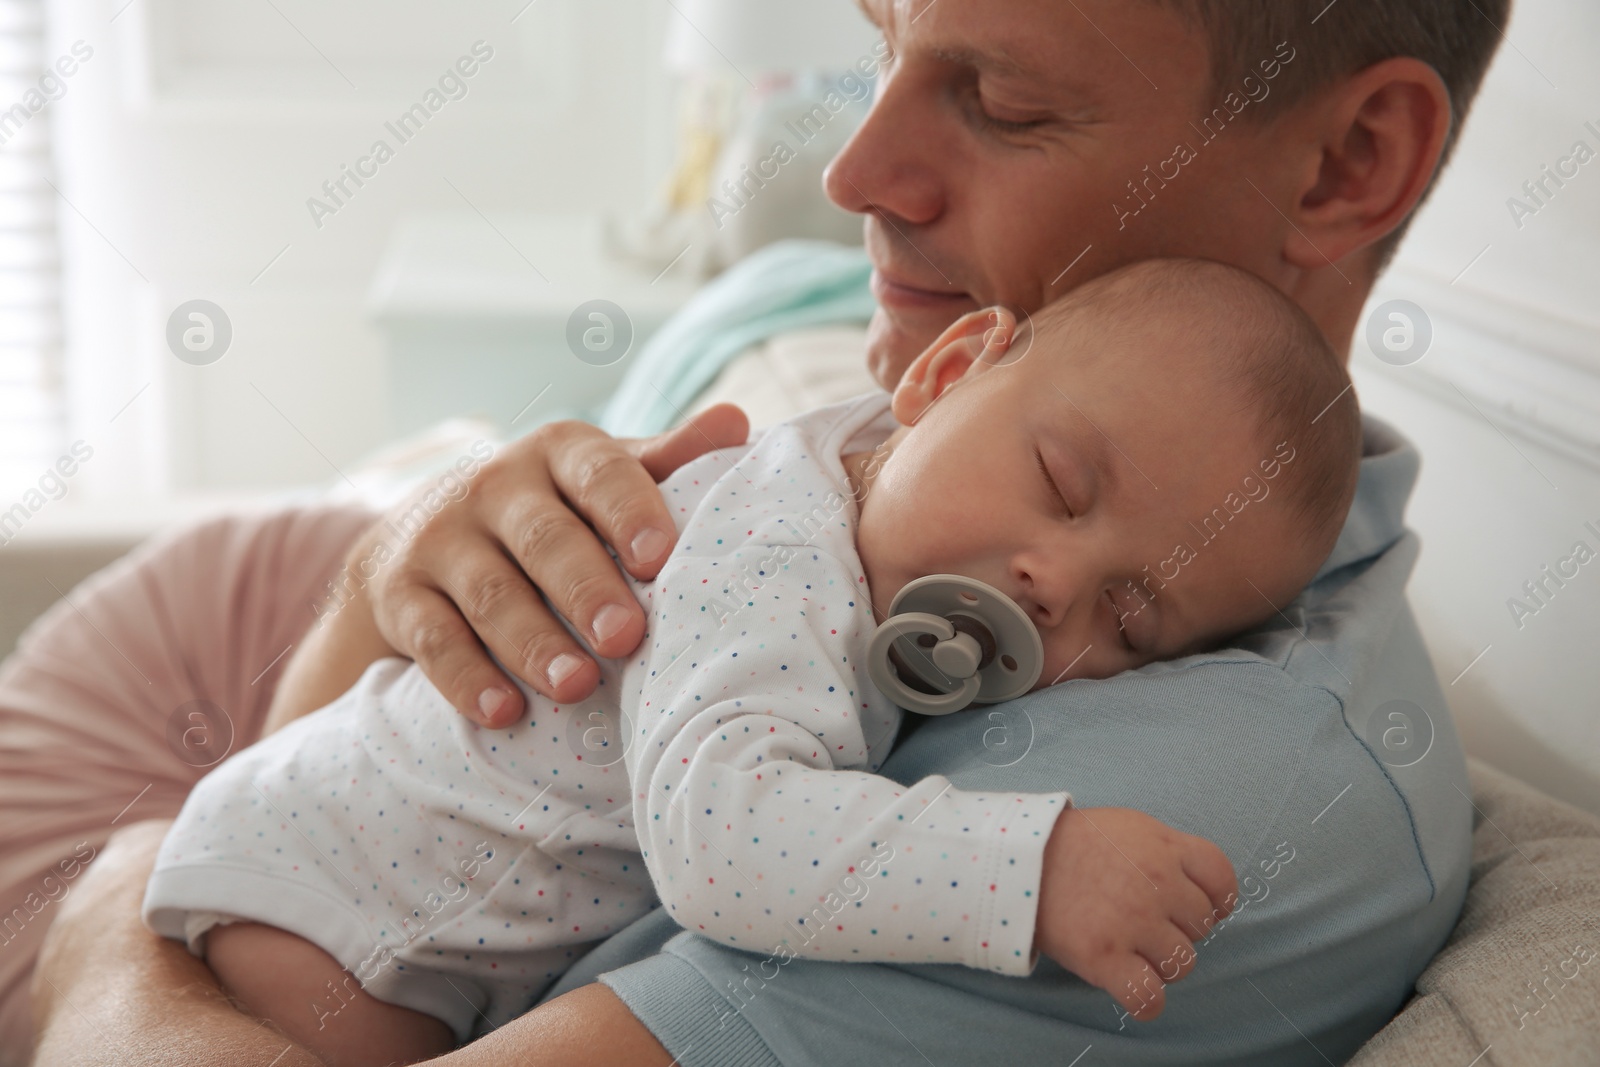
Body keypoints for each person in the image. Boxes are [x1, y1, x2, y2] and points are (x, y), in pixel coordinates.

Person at [20, 0, 1511, 1064]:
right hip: (222, 735)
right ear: (954, 378)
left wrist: (103, 925)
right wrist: (390, 565)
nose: (852, 173)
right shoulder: (863, 470)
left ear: (1345, 160)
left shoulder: (1230, 805)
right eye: (879, 47)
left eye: (998, 97)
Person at [138, 260, 1356, 1066]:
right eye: (1060, 485)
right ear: (938, 378)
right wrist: (1029, 867)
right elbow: (728, 840)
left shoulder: (864, 541)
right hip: (327, 894)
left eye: (1131, 619)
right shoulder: (777, 556)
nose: (1052, 582)